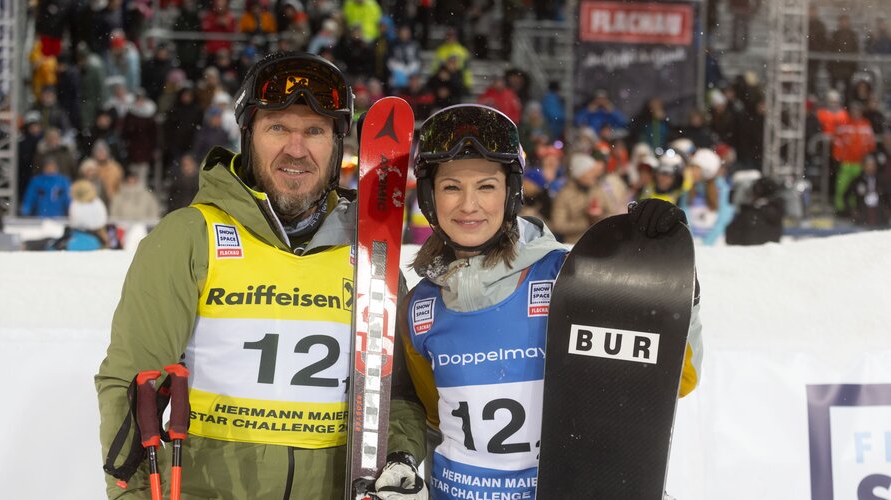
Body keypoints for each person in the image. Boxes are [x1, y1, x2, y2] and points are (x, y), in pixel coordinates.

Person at [96, 52, 422, 499]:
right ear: (248, 136)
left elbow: (398, 391)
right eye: (277, 128)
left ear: (337, 145)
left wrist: (400, 454)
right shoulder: (190, 237)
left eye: (314, 131)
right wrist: (131, 494)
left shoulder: (370, 253)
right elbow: (134, 383)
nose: (296, 148)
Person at [389, 104, 703, 499]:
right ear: (431, 198)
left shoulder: (568, 280)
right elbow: (435, 416)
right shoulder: (420, 308)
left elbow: (677, 380)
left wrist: (665, 287)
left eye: (486, 186)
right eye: (452, 187)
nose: (468, 205)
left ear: (511, 193)